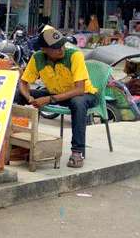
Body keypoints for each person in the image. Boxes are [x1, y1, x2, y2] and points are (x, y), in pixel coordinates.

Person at [17, 25, 98, 168]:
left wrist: (49, 99)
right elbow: (23, 82)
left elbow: (79, 89)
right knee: (17, 95)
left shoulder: (74, 55)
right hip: (56, 92)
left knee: (78, 103)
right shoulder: (37, 58)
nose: (61, 49)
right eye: (56, 47)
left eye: (62, 44)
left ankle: (77, 152)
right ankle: (17, 143)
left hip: (84, 95)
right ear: (44, 50)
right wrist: (28, 97)